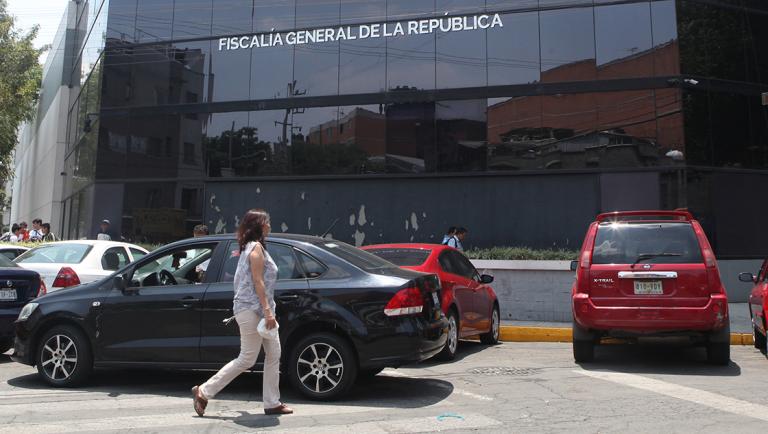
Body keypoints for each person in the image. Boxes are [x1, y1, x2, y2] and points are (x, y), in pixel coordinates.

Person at [192, 209, 292, 417]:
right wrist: (267, 311)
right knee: (247, 358)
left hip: (258, 308)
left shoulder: (253, 247)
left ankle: (272, 402)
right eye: (267, 222)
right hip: (252, 309)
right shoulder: (255, 248)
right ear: (259, 225)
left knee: (274, 354)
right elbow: (258, 281)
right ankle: (204, 390)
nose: (270, 226)